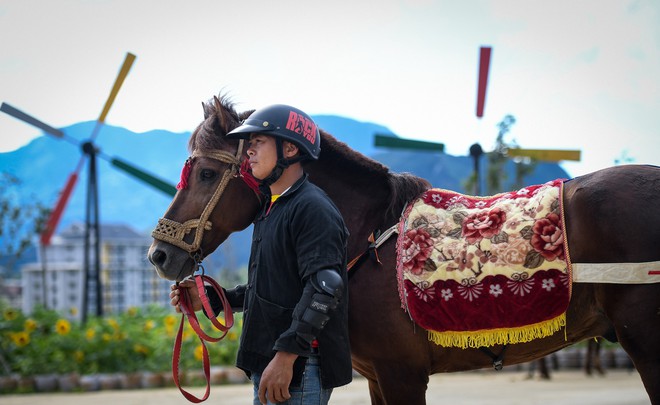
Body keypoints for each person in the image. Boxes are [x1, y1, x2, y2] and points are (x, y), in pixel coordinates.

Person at [170, 104, 352, 405]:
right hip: (273, 362)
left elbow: (325, 287)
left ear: (290, 148)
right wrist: (213, 299)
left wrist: (285, 357)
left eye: (258, 143)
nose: (248, 152)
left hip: (298, 368)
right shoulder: (273, 207)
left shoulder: (313, 208)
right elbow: (273, 289)